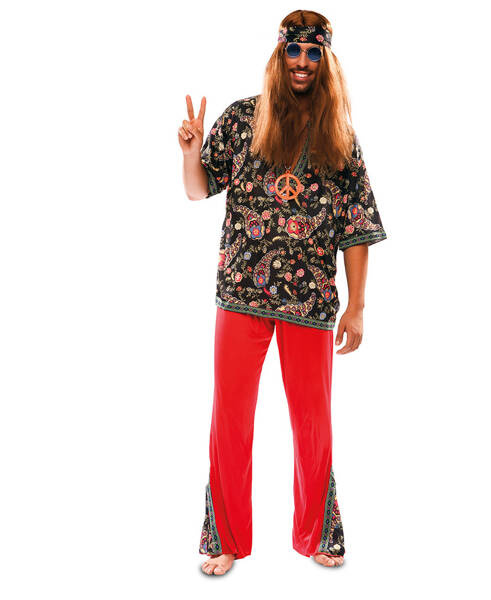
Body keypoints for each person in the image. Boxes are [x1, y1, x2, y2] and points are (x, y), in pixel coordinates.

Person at [178, 10, 387, 575]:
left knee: (313, 421)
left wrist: (357, 306)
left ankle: (318, 532)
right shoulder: (242, 119)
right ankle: (226, 539)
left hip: (310, 300)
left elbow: (357, 227)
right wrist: (191, 152)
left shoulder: (339, 136)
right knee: (230, 417)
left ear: (326, 60)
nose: (302, 62)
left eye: (313, 52)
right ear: (279, 55)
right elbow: (198, 191)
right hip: (240, 293)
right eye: (294, 50)